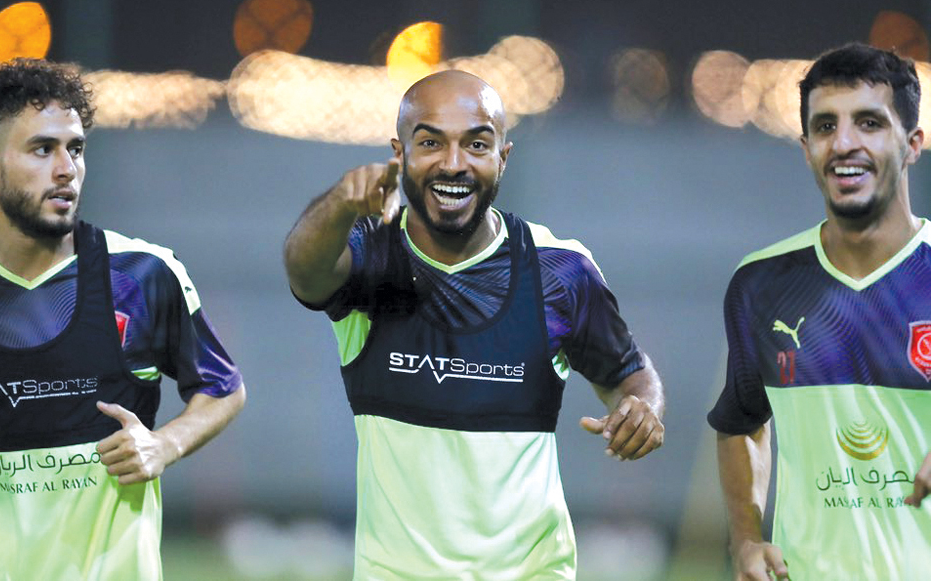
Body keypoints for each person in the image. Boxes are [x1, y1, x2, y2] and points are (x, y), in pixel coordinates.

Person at [284, 69, 665, 579]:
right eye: (431, 142)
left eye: (477, 144)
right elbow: (304, 273)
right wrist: (339, 204)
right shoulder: (369, 257)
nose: (454, 164)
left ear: (502, 158)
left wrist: (643, 407)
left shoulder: (559, 270)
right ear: (400, 154)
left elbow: (630, 375)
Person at [0, 58, 246, 580]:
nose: (66, 169)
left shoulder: (142, 274)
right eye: (42, 149)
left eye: (75, 149)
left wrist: (164, 444)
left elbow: (224, 387)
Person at [709, 42, 931, 580]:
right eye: (826, 127)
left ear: (912, 144)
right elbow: (741, 425)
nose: (845, 143)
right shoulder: (760, 284)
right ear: (806, 146)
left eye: (870, 123)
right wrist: (745, 540)